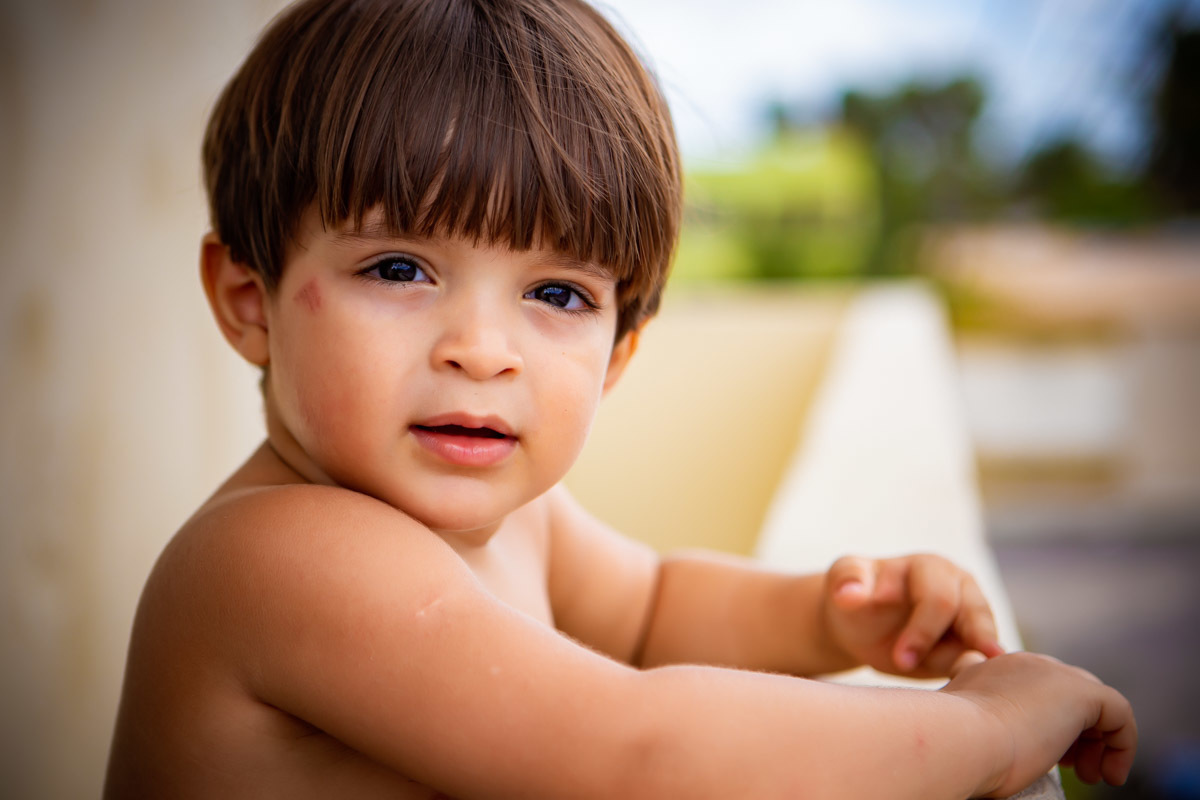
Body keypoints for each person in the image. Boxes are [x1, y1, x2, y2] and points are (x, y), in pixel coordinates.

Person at [103, 0, 1136, 797]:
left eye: (555, 293)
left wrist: (829, 618)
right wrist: (988, 731)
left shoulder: (517, 518)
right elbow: (637, 753)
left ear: (618, 353)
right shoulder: (283, 555)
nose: (480, 349)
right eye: (400, 268)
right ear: (251, 300)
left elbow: (649, 610)